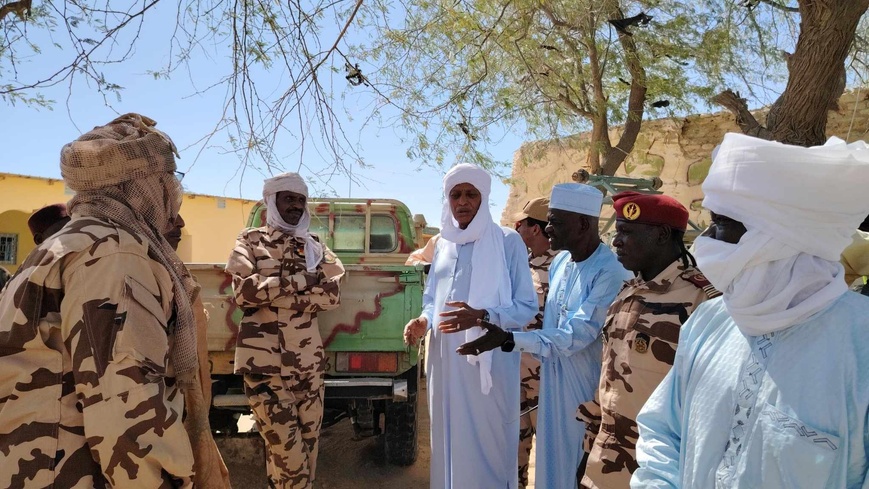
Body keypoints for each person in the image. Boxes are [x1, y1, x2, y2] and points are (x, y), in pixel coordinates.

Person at [632, 133, 869, 488]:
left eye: (723, 225)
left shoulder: (860, 343)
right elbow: (663, 432)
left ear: (780, 236)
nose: (707, 240)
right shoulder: (710, 321)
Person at [0, 113, 202, 486]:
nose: (174, 196)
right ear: (142, 185)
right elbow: (128, 413)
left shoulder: (70, 243)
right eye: (169, 181)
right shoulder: (113, 255)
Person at [455, 183, 631, 489]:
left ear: (584, 224)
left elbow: (575, 335)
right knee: (550, 468)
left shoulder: (610, 271)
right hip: (551, 384)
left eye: (556, 221)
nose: (548, 228)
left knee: (581, 470)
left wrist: (509, 340)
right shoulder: (562, 262)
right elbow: (549, 327)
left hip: (587, 391)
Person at [403, 163, 538, 489]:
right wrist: (423, 319)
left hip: (487, 366)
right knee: (447, 439)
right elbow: (433, 297)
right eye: (456, 195)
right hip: (444, 365)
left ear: (484, 197)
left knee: (487, 445)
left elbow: (526, 307)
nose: (463, 202)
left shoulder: (508, 242)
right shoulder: (444, 244)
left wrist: (484, 316)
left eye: (471, 194)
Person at [577, 191, 719, 489]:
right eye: (617, 232)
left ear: (662, 235)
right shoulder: (629, 291)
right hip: (603, 464)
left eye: (627, 232)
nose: (616, 241)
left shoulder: (702, 300)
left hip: (658, 471)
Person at [226, 172, 345, 489]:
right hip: (264, 367)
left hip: (308, 365)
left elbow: (332, 295)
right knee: (288, 453)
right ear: (272, 201)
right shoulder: (249, 241)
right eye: (288, 198)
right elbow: (244, 294)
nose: (295, 205)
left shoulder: (315, 247)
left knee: (307, 449)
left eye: (301, 199)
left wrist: (275, 290)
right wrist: (303, 282)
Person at [512, 196, 559, 488]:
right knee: (514, 445)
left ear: (535, 229)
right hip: (515, 373)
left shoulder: (564, 269)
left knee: (551, 450)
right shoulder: (521, 266)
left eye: (521, 224)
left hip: (547, 380)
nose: (516, 229)